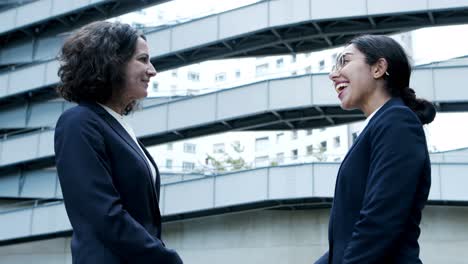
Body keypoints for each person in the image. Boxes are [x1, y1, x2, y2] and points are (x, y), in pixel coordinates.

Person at [54, 21, 183, 264]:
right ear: (112, 62)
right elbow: (104, 215)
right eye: (143, 59)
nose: (152, 70)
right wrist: (167, 260)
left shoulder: (118, 125)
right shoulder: (78, 122)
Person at [315, 35, 436, 264]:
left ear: (379, 68)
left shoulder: (398, 121)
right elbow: (344, 240)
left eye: (345, 61)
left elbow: (380, 222)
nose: (333, 74)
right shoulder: (380, 125)